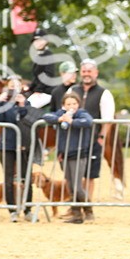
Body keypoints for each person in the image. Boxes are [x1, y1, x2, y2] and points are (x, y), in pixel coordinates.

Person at [41, 91, 93, 224]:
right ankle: (76, 214)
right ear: (63, 105)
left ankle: (88, 210)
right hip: (64, 155)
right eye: (68, 103)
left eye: (74, 103)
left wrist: (72, 121)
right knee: (69, 185)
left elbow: (88, 122)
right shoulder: (60, 114)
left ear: (78, 104)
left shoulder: (81, 114)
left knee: (77, 186)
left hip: (78, 154)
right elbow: (46, 116)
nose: (72, 106)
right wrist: (59, 119)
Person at [0, 76, 40, 222]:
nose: (14, 87)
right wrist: (1, 102)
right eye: (11, 85)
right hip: (7, 145)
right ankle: (12, 210)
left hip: (24, 144)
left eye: (16, 85)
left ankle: (27, 209)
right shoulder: (3, 103)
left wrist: (21, 106)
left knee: (26, 177)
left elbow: (30, 119)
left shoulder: (28, 102)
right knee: (8, 178)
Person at [78, 58, 116, 219]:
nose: (86, 74)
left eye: (89, 71)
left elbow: (108, 119)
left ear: (96, 73)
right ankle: (75, 205)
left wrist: (101, 137)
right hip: (74, 140)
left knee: (89, 175)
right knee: (74, 175)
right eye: (84, 71)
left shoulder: (104, 93)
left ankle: (87, 205)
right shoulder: (73, 90)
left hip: (93, 139)